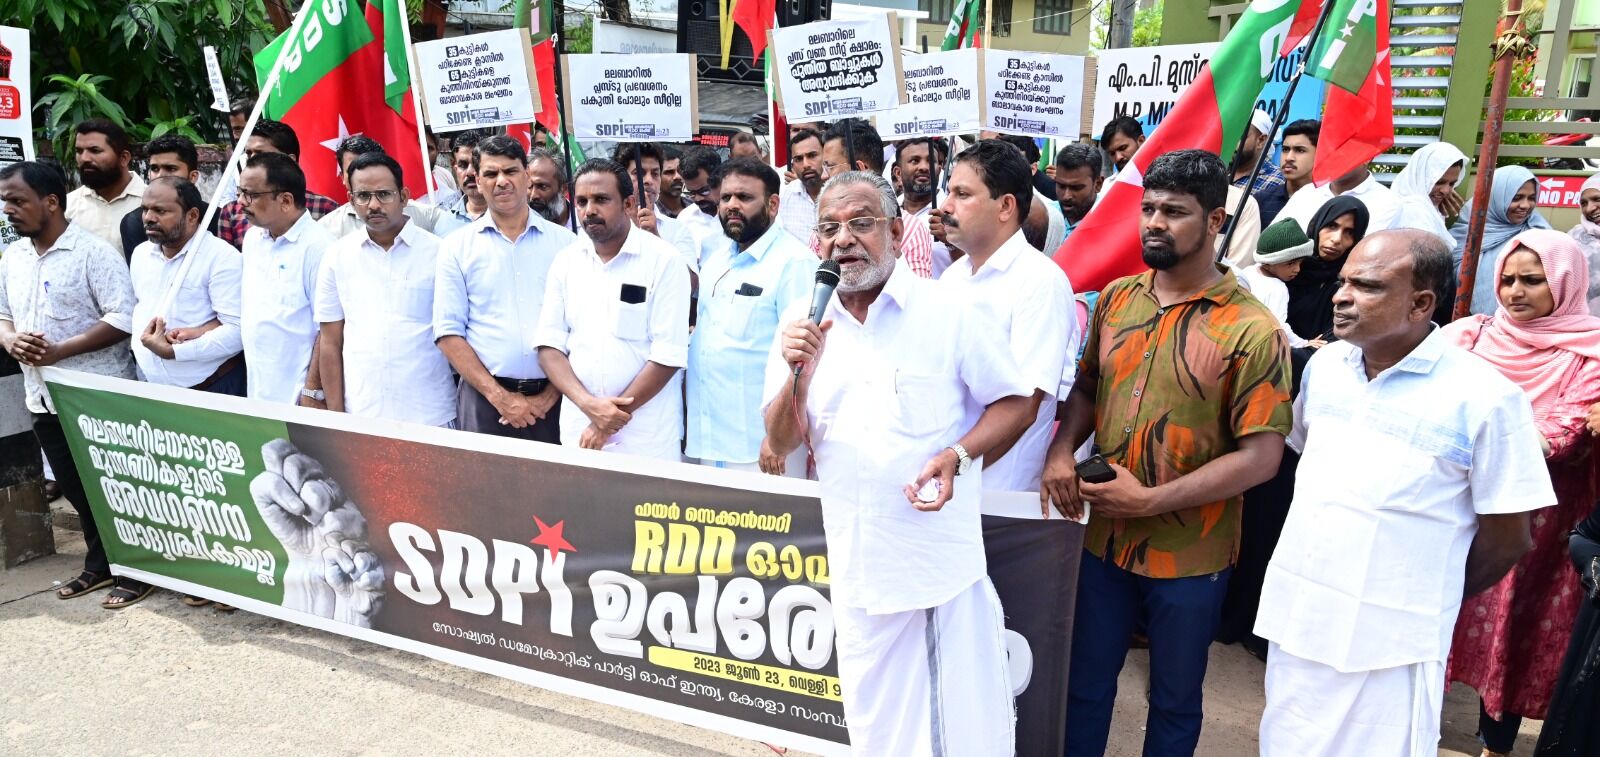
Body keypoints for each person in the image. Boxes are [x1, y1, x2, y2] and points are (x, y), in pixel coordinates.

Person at [763, 169, 1034, 754]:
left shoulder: (949, 310)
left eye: (860, 223)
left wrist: (958, 454)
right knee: (875, 731)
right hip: (857, 571)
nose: (843, 239)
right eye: (830, 227)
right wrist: (798, 379)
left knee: (949, 737)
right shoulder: (801, 326)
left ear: (892, 231)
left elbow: (1017, 402)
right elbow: (780, 441)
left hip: (932, 572)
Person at [1255, 230, 1555, 756]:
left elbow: (1509, 537)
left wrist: (1428, 590)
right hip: (1299, 620)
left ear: (1420, 303)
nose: (1341, 297)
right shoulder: (1326, 368)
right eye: (1344, 282)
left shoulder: (1486, 398)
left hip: (1393, 646)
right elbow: (1306, 458)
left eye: (1367, 286)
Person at [1039, 149, 1292, 756]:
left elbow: (1262, 458)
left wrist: (1151, 500)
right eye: (1148, 208)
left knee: (1175, 700)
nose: (1154, 222)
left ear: (1215, 220)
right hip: (1103, 538)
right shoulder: (1117, 299)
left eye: (1174, 212)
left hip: (1191, 555)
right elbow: (1088, 388)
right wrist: (1059, 452)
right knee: (1083, 686)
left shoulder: (1253, 329)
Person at [1440, 230, 1600, 757]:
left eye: (1532, 280)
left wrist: (1482, 437)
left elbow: (1565, 428)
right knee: (1435, 611)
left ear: (1566, 283)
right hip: (1453, 504)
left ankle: (1496, 744)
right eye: (1507, 279)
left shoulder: (1590, 354)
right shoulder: (1470, 336)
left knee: (1510, 631)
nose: (1514, 291)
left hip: (1532, 522)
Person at [0, 161, 148, 608]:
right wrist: (10, 340)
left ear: (51, 202)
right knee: (77, 488)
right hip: (43, 396)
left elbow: (123, 317)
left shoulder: (92, 253)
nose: (8, 210)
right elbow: (2, 314)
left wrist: (62, 350)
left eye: (17, 201)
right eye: (5, 201)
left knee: (115, 486)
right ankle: (100, 564)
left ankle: (138, 570)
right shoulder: (14, 256)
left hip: (95, 396)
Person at [939, 140, 1077, 492]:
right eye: (949, 192)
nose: (946, 207)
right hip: (945, 487)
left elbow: (1024, 406)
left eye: (962, 194)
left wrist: (958, 466)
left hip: (998, 493)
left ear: (1005, 206)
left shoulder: (1040, 282)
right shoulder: (952, 277)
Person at [536, 159, 689, 460]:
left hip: (646, 439)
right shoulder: (566, 262)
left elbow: (667, 355)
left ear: (628, 203)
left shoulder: (665, 261)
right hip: (580, 431)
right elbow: (548, 347)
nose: (589, 210)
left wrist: (607, 422)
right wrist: (589, 406)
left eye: (601, 199)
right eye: (582, 201)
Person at [434, 135, 576, 442]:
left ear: (526, 176)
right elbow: (448, 333)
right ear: (477, 180)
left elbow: (580, 327)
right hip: (485, 402)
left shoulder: (567, 245)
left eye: (510, 171)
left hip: (557, 401)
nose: (502, 181)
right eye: (491, 173)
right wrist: (499, 397)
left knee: (556, 476)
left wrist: (551, 395)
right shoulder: (456, 248)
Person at [685, 158, 813, 473]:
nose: (732, 205)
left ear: (773, 204)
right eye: (726, 197)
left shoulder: (794, 263)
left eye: (744, 197)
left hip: (764, 446)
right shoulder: (716, 261)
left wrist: (777, 437)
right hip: (710, 436)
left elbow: (804, 361)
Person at [315, 152, 454, 427]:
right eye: (363, 196)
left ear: (404, 196)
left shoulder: (440, 254)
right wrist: (337, 417)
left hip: (431, 413)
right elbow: (330, 342)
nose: (374, 205)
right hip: (362, 413)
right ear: (351, 199)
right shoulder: (337, 256)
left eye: (384, 194)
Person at [130, 177, 245, 397]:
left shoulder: (221, 258)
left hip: (211, 389)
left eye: (160, 211)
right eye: (145, 209)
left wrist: (175, 352)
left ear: (192, 216)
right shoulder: (141, 254)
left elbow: (238, 331)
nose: (148, 218)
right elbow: (140, 309)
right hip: (152, 388)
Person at [238, 152, 336, 406]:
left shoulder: (320, 247)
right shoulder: (253, 238)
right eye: (240, 192)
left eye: (250, 194)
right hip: (260, 387)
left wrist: (312, 390)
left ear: (285, 200)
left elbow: (328, 329)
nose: (240, 202)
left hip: (299, 394)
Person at [820, 120, 935, 278]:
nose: (843, 240)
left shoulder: (911, 231)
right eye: (830, 229)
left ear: (895, 232)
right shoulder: (819, 230)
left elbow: (918, 292)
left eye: (830, 167)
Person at [217, 120, 338, 249]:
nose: (252, 161)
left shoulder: (326, 209)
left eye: (261, 155)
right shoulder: (233, 214)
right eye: (248, 154)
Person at [1453, 166, 1553, 316]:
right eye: (1517, 198)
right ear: (1494, 197)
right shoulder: (1466, 234)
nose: (1525, 205)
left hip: (1530, 321)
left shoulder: (1539, 232)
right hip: (1473, 323)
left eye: (1531, 198)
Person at [318, 135, 452, 238]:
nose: (364, 176)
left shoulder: (428, 217)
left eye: (371, 168)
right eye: (354, 170)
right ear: (342, 177)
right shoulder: (327, 229)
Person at [1286, 196, 1370, 345]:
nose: (1337, 239)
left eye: (1349, 232)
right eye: (1331, 226)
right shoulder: (1284, 265)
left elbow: (1329, 346)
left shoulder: (1348, 288)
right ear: (1318, 224)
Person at [612, 143, 702, 276]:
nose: (649, 180)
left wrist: (654, 237)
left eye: (655, 174)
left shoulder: (677, 229)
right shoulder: (607, 225)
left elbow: (691, 282)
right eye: (639, 173)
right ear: (621, 178)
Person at [119, 134, 210, 260]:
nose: (160, 176)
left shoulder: (216, 217)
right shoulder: (134, 223)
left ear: (192, 176)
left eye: (171, 168)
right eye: (154, 169)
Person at [1239, 218, 1319, 349]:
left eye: (1300, 262)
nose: (1297, 269)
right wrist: (1303, 343)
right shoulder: (1277, 289)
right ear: (1268, 263)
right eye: (1290, 263)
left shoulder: (1248, 271)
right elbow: (1278, 326)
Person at [65, 119, 145, 249]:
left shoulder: (151, 203)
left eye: (95, 150)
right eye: (79, 151)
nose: (84, 158)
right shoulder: (68, 207)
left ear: (124, 158)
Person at [1279, 162, 1402, 235]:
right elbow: (1273, 239)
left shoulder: (1387, 203)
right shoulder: (1307, 192)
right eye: (1331, 148)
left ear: (1367, 157)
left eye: (1344, 150)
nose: (1336, 156)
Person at [996, 135, 1067, 255]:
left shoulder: (1051, 214)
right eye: (1001, 164)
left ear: (1033, 169)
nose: (1007, 172)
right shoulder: (981, 205)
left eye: (1015, 165)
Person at [896, 137, 957, 277]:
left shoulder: (954, 210)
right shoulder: (888, 211)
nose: (924, 167)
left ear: (939, 169)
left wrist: (951, 242)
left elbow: (975, 266)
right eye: (915, 160)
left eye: (931, 161)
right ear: (898, 173)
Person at [1391, 142, 1468, 248]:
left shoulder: (1428, 206)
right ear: (1420, 176)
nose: (1446, 191)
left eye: (1452, 184)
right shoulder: (1412, 211)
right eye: (1439, 182)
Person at [1232, 109, 1290, 225]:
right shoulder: (1218, 171)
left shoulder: (1275, 180)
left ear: (1261, 140)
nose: (1232, 142)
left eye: (1240, 136)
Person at [777, 128, 825, 243]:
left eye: (812, 155)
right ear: (792, 164)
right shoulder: (785, 196)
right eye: (798, 159)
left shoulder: (843, 192)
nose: (806, 164)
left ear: (826, 155)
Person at [674, 146, 723, 248]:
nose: (697, 199)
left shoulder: (738, 215)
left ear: (720, 179)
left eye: (704, 191)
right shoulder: (685, 219)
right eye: (691, 193)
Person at [1565, 173, 1600, 316]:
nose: (1589, 209)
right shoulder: (1573, 238)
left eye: (1597, 199)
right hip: (1583, 323)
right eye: (1584, 203)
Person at [1054, 142, 1103, 241]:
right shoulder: (1046, 215)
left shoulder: (1110, 226)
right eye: (1061, 186)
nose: (1066, 196)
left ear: (1097, 184)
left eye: (1076, 188)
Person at [440, 130, 488, 228]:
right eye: (463, 165)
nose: (470, 172)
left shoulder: (513, 215)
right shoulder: (442, 216)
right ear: (455, 167)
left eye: (477, 164)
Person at [528, 147, 571, 229]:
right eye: (529, 186)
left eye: (542, 187)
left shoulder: (585, 226)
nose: (533, 196)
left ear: (564, 189)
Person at [1279, 119, 1319, 198]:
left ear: (1318, 153)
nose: (1289, 158)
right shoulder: (1262, 200)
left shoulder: (1329, 201)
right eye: (1285, 149)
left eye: (1300, 150)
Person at [657, 144, 685, 218]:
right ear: (656, 176)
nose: (678, 177)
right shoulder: (653, 214)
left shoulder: (696, 206)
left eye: (680, 171)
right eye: (669, 172)